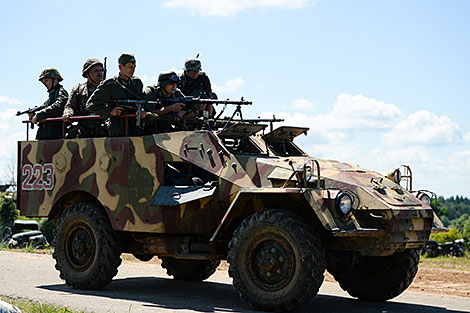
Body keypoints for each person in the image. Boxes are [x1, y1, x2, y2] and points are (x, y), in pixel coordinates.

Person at [86, 53, 146, 137]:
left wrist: (142, 111)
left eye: (134, 67)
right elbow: (91, 105)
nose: (133, 70)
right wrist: (110, 111)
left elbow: (142, 101)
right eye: (130, 67)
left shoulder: (137, 83)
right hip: (118, 129)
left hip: (135, 128)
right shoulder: (110, 84)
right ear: (120, 67)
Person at [62, 58, 107, 138]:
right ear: (87, 74)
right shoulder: (78, 90)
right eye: (96, 71)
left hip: (104, 127)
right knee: (71, 136)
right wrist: (68, 113)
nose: (100, 73)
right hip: (84, 127)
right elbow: (70, 106)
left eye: (101, 70)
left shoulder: (108, 88)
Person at [30, 68, 69, 140]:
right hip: (46, 134)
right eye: (43, 82)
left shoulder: (61, 92)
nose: (44, 84)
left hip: (55, 134)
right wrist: (34, 114)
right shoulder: (52, 95)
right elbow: (44, 107)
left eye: (46, 80)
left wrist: (40, 114)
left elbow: (58, 106)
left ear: (55, 80)